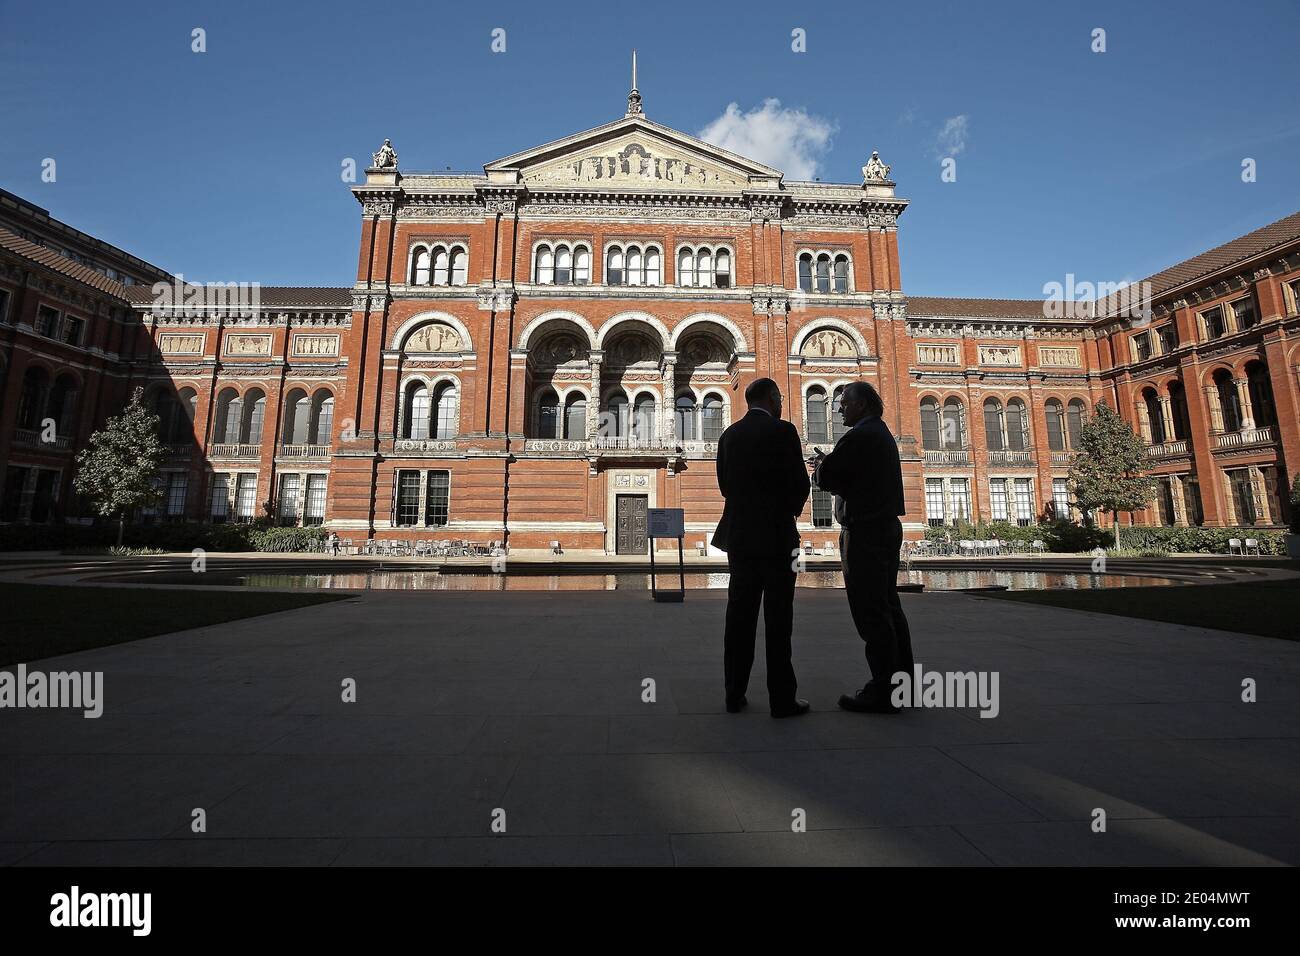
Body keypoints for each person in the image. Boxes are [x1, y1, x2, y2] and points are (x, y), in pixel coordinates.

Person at [811, 382, 915, 714]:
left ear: (863, 405)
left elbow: (829, 478)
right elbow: (856, 477)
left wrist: (821, 467)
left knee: (871, 611)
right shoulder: (878, 434)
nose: (839, 408)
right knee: (888, 607)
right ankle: (902, 686)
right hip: (883, 526)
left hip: (866, 530)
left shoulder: (861, 436)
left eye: (844, 403)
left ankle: (882, 690)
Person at [712, 377, 812, 718]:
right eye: (780, 398)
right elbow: (801, 485)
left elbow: (725, 486)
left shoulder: (729, 436)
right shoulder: (784, 432)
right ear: (771, 398)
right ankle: (782, 700)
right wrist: (787, 512)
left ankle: (733, 693)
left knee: (738, 616)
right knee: (779, 619)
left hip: (740, 539)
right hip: (780, 540)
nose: (782, 403)